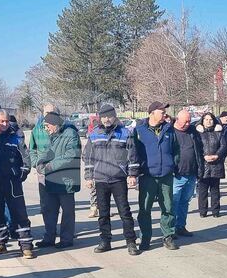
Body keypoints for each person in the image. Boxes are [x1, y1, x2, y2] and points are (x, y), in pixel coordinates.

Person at [83, 104, 140, 255]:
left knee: (125, 212)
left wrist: (132, 174)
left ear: (115, 117)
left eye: (109, 116)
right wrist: (89, 177)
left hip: (118, 178)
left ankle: (131, 242)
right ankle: (105, 241)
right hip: (100, 179)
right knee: (103, 213)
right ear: (100, 118)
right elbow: (88, 157)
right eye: (104, 117)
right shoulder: (94, 134)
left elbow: (132, 155)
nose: (107, 119)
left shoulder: (125, 133)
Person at [0, 110, 36, 258]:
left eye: (7, 121)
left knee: (19, 213)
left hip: (12, 183)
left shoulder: (15, 138)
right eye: (2, 121)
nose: (5, 124)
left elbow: (26, 159)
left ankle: (26, 246)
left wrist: (21, 174)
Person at [134, 102, 180, 250]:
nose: (165, 114)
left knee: (168, 208)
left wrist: (173, 165)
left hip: (166, 175)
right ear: (152, 113)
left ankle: (168, 236)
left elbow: (176, 150)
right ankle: (145, 238)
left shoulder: (169, 130)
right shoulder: (139, 130)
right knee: (145, 209)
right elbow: (133, 152)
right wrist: (137, 170)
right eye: (162, 112)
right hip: (147, 176)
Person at [36, 111, 81, 249]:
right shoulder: (52, 136)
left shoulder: (71, 134)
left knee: (67, 211)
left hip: (66, 180)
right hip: (52, 180)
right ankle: (49, 237)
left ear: (55, 124)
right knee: (49, 210)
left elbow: (72, 154)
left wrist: (50, 166)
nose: (46, 129)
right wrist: (39, 162)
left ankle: (66, 239)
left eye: (47, 126)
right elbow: (47, 153)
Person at [171, 110, 201, 236]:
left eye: (189, 121)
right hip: (176, 174)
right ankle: (170, 230)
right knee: (173, 202)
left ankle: (181, 226)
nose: (188, 124)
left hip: (191, 173)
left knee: (184, 202)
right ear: (177, 120)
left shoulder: (193, 131)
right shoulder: (170, 132)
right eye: (185, 121)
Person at [196, 113, 227, 218]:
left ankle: (216, 211)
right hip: (203, 165)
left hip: (216, 164)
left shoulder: (219, 132)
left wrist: (217, 155)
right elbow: (196, 148)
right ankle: (203, 211)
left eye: (210, 119)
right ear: (202, 121)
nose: (208, 121)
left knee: (215, 190)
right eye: (206, 119)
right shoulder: (198, 133)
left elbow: (223, 146)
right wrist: (203, 156)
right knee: (202, 190)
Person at [29, 103, 56, 219]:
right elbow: (31, 150)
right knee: (45, 202)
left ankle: (65, 231)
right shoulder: (36, 130)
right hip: (43, 171)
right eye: (46, 113)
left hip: (59, 171)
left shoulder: (63, 128)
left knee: (61, 203)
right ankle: (49, 231)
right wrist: (36, 163)